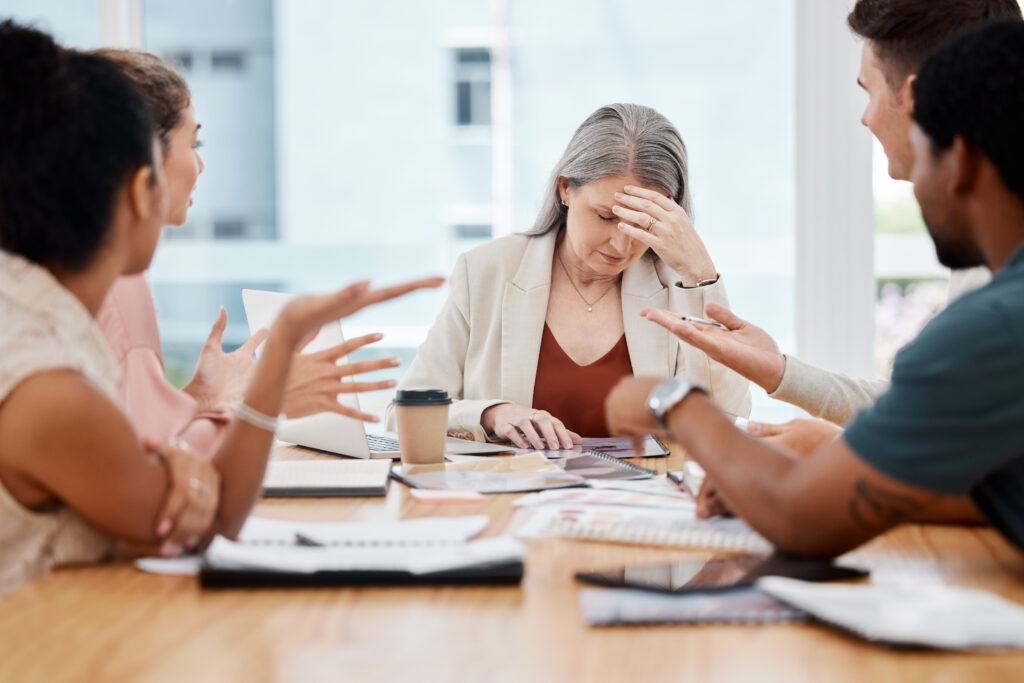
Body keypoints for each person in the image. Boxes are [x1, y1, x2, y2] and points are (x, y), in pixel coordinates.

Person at [0, 21, 442, 596]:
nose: (200, 167)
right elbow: (213, 519)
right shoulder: (48, 388)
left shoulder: (32, 325)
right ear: (141, 191)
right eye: (194, 146)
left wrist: (173, 452)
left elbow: (134, 470)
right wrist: (281, 345)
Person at [606, 18, 1024, 557]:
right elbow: (989, 486)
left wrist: (674, 402)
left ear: (961, 158)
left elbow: (796, 517)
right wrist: (835, 462)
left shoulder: (993, 326)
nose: (912, 182)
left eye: (923, 152)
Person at [639, 0, 1021, 436]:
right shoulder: (988, 250)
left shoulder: (995, 288)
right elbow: (936, 410)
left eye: (868, 90)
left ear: (915, 98)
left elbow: (950, 444)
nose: (865, 117)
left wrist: (835, 457)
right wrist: (781, 372)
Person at [387, 104, 750, 449]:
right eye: (606, 217)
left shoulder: (681, 286)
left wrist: (700, 274)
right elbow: (401, 416)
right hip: (513, 506)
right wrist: (490, 414)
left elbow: (729, 415)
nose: (621, 244)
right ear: (565, 189)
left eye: (641, 223)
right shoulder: (486, 271)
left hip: (644, 502)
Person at [93, 49, 389, 457]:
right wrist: (262, 402)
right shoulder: (114, 280)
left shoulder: (85, 267)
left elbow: (131, 432)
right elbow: (154, 472)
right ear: (145, 162)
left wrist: (201, 396)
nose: (200, 165)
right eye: (193, 143)